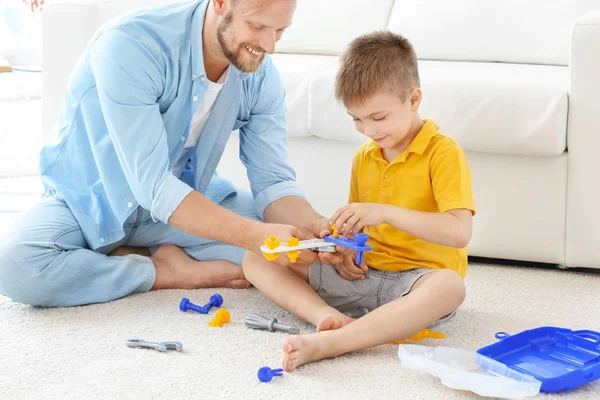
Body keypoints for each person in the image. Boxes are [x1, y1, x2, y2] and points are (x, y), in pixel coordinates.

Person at [0, 0, 335, 307]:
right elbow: (154, 187)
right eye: (258, 27)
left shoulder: (259, 76)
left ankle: (135, 251)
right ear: (220, 3)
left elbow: (273, 180)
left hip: (182, 207)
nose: (270, 46)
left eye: (280, 31)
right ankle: (165, 271)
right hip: (89, 203)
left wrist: (316, 231)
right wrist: (253, 236)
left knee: (304, 262)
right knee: (15, 263)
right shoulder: (130, 45)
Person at [242, 31, 476, 371]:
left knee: (450, 287)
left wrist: (385, 213)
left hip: (416, 284)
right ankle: (329, 318)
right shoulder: (366, 156)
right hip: (364, 280)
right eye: (357, 120)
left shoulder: (443, 153)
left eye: (378, 118)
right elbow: (358, 232)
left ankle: (334, 343)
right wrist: (346, 251)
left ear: (413, 99)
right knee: (257, 256)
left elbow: (459, 232)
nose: (368, 131)